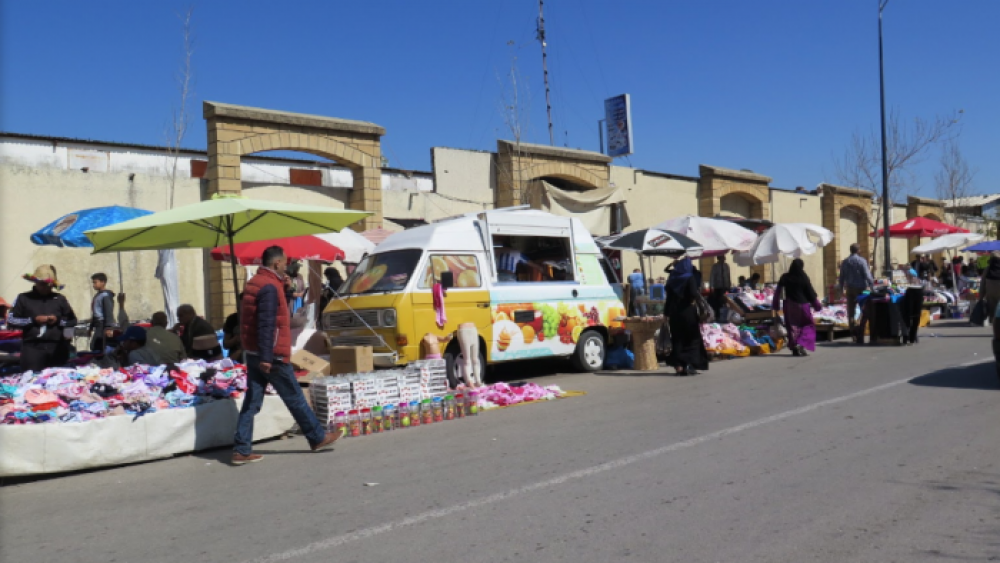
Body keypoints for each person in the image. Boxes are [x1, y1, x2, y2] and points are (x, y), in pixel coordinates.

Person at [233, 245, 339, 464]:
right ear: (277, 263)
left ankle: (241, 449)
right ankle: (318, 437)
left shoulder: (257, 283)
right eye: (284, 263)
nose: (287, 266)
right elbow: (267, 325)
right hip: (271, 354)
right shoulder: (270, 288)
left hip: (254, 352)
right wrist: (266, 357)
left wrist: (285, 288)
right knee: (295, 397)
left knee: (252, 402)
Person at [8, 265, 77, 372]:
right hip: (32, 348)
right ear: (35, 282)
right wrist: (33, 320)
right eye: (43, 284)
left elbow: (72, 320)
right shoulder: (23, 298)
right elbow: (11, 320)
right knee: (31, 382)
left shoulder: (59, 299)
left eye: (49, 285)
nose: (46, 288)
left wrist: (57, 321)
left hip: (57, 348)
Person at [663, 258, 709, 376]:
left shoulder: (672, 278)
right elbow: (694, 293)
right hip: (688, 312)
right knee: (692, 339)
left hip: (674, 314)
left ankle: (679, 366)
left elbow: (668, 299)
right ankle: (689, 364)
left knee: (677, 339)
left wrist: (666, 314)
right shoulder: (689, 277)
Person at [773, 259, 822, 357]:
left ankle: (795, 347)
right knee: (808, 325)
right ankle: (801, 343)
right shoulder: (803, 277)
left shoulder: (785, 277)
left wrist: (775, 305)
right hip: (803, 305)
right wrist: (817, 305)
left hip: (790, 305)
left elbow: (778, 291)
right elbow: (810, 292)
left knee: (792, 327)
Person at [838, 243, 874, 343]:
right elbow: (867, 275)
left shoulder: (845, 262)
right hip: (861, 289)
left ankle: (853, 333)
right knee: (864, 311)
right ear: (858, 250)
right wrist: (872, 286)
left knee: (851, 312)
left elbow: (841, 278)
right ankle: (860, 331)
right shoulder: (862, 261)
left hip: (849, 289)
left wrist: (841, 289)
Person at [89, 273, 118, 352]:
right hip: (98, 324)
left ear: (103, 282)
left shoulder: (105, 296)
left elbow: (108, 311)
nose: (93, 285)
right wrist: (91, 327)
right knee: (95, 345)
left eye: (95, 282)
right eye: (93, 282)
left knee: (98, 345)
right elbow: (95, 313)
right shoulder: (98, 295)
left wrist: (108, 327)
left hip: (103, 324)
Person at [223, 294, 243, 363]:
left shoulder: (256, 319)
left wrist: (242, 351)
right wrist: (235, 339)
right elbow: (225, 344)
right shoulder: (232, 319)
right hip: (234, 358)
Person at [981, 252, 1000, 326]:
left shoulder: (988, 268)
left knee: (992, 307)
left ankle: (993, 321)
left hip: (990, 291)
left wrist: (981, 295)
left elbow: (982, 283)